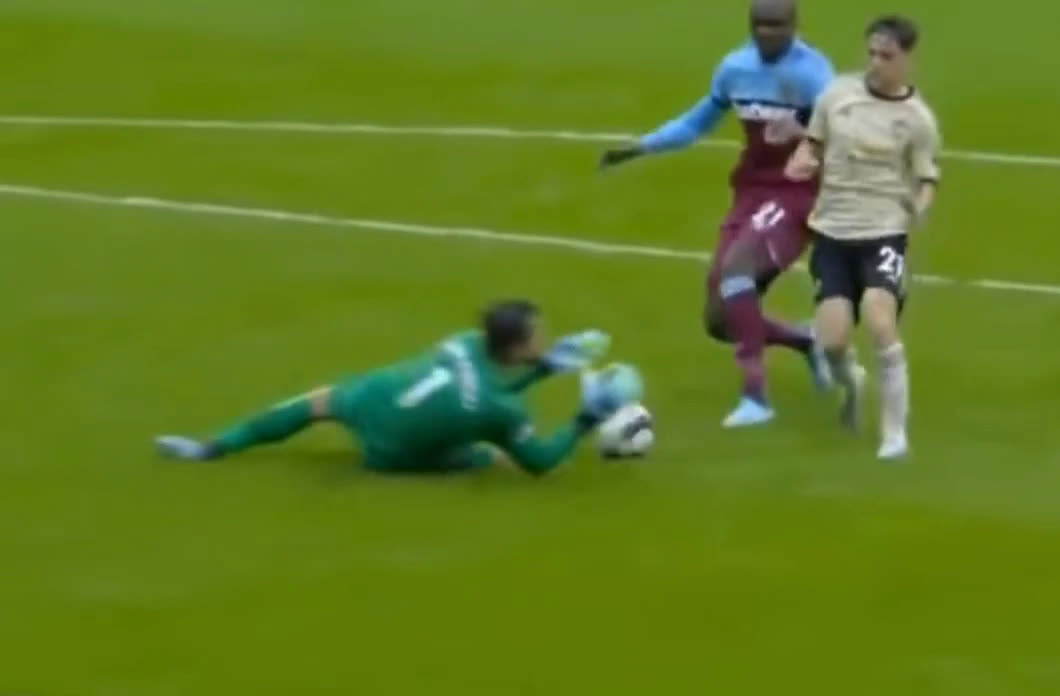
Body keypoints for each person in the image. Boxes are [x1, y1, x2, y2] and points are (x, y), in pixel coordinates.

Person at [600, 0, 839, 429]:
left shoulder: (815, 74)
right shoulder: (735, 68)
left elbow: (846, 135)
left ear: (795, 25)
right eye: (759, 24)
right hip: (751, 190)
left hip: (798, 191)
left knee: (737, 270)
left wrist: (804, 131)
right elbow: (697, 122)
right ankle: (807, 340)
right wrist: (641, 147)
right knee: (720, 320)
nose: (767, 32)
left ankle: (756, 396)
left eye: (776, 24)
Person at [155, 300, 636, 475]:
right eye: (537, 337)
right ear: (515, 348)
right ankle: (443, 460)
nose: (545, 339)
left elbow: (485, 387)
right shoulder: (500, 412)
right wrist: (585, 419)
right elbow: (541, 463)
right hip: (391, 455)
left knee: (312, 404)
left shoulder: (465, 341)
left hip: (369, 398)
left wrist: (546, 367)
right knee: (496, 457)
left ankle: (211, 448)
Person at [785, 15, 941, 460]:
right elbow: (812, 144)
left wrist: (920, 207)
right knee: (832, 341)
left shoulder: (917, 119)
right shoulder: (837, 96)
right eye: (871, 53)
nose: (875, 63)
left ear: (906, 58)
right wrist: (801, 160)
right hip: (832, 231)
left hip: (883, 231)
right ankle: (851, 380)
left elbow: (927, 177)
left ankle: (894, 435)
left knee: (879, 318)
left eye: (886, 56)